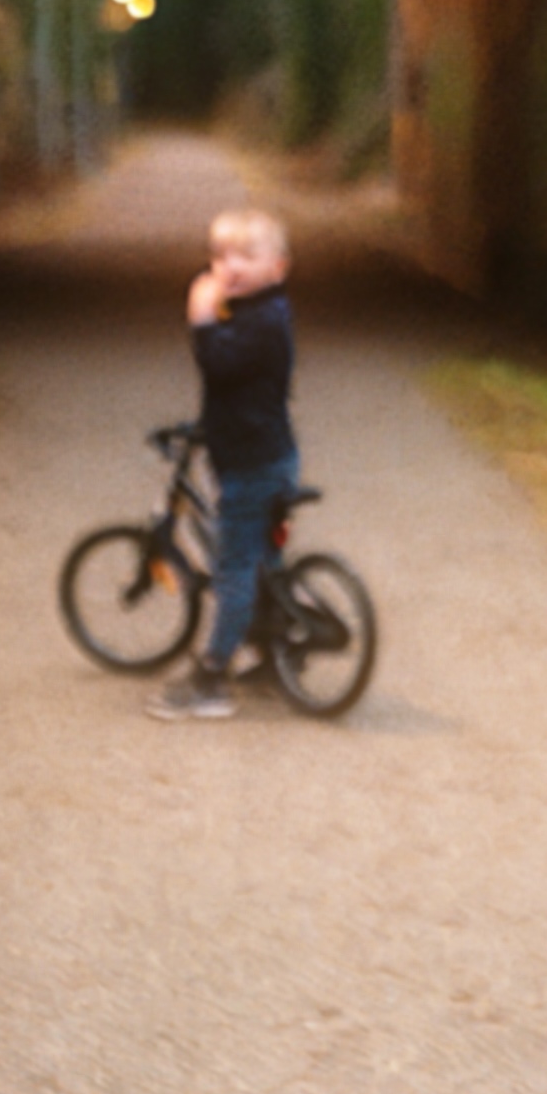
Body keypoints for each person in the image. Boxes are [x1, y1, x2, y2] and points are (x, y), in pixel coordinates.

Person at [149, 205, 299, 722]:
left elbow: (219, 364)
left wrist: (201, 319)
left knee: (234, 568)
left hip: (252, 465)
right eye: (220, 255)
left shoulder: (261, 321)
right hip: (265, 452)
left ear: (278, 267)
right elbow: (239, 391)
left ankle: (212, 678)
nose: (230, 266)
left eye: (247, 256)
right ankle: (276, 653)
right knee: (264, 563)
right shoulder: (260, 312)